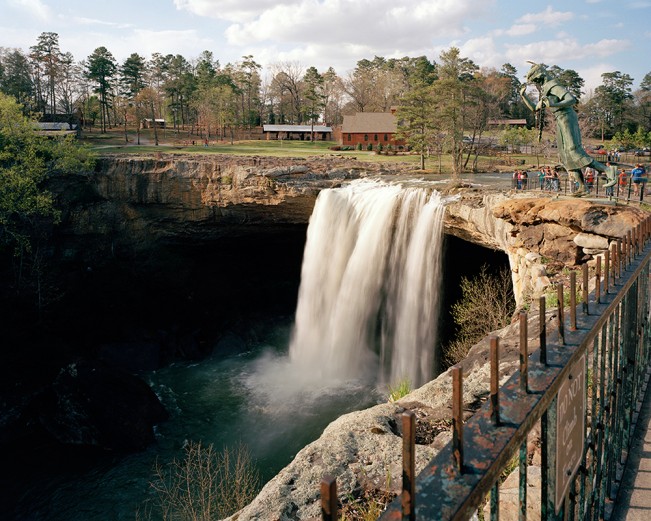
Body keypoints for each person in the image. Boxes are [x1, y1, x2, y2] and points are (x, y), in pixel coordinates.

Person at [520, 63, 609, 196]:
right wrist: (524, 96)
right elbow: (535, 108)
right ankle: (583, 187)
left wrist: (554, 104)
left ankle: (607, 170)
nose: (537, 83)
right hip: (560, 120)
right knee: (565, 156)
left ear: (542, 76)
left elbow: (571, 99)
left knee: (573, 151)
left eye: (537, 80)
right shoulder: (545, 89)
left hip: (567, 118)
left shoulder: (553, 85)